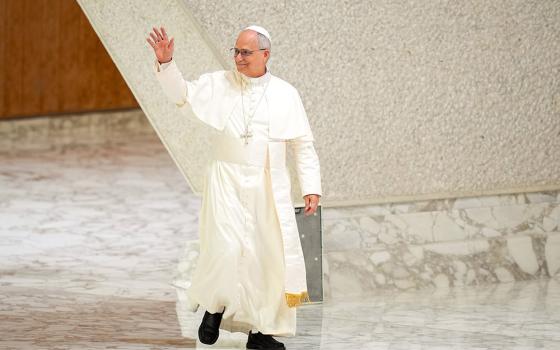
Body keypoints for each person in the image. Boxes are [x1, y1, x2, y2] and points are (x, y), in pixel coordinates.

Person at [146, 24, 322, 350]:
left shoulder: (286, 93)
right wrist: (167, 64)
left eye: (246, 52)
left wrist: (312, 187)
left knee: (265, 260)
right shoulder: (221, 82)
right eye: (236, 51)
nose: (238, 58)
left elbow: (303, 144)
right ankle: (214, 308)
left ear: (265, 55)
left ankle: (261, 332)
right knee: (224, 248)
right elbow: (181, 94)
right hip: (225, 179)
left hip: (267, 186)